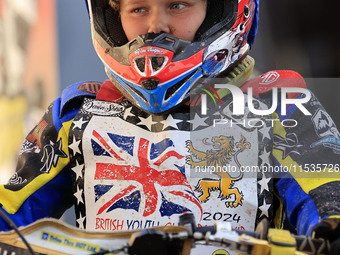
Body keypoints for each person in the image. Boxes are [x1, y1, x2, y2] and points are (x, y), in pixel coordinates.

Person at [1, 0, 340, 253]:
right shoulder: (76, 113)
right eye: (137, 8)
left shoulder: (277, 105)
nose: (155, 25)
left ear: (224, 10)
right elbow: (9, 216)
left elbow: (330, 211)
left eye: (177, 5)